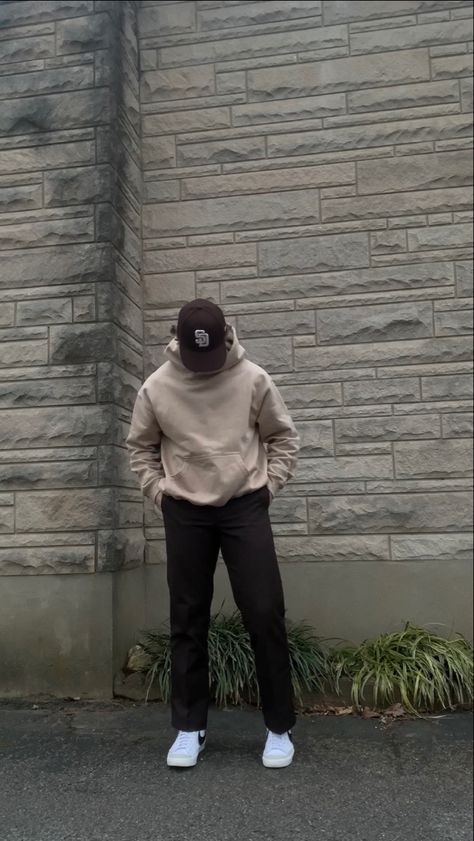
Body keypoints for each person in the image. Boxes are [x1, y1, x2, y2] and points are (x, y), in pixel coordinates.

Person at [126, 299, 300, 769]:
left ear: (227, 336)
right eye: (195, 357)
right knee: (187, 617)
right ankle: (189, 727)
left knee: (264, 611)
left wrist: (268, 489)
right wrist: (159, 491)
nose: (205, 368)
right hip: (185, 510)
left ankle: (279, 727)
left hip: (244, 506)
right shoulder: (157, 387)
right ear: (177, 343)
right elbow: (140, 447)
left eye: (212, 356)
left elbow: (282, 437)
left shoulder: (252, 379)